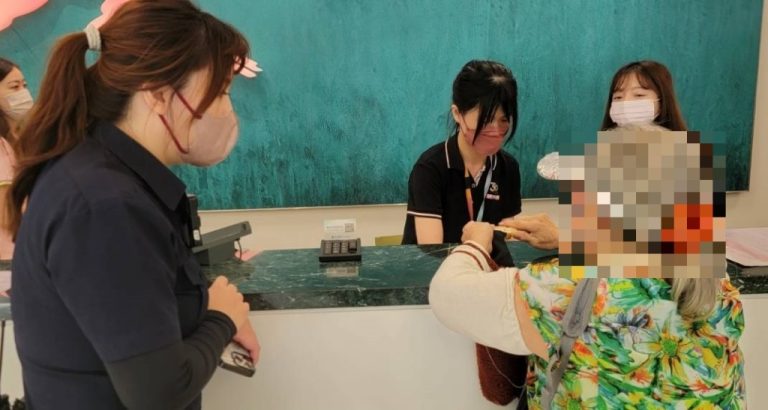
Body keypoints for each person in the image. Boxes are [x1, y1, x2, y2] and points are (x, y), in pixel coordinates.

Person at [7, 1, 259, 409]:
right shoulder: (105, 207)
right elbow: (158, 392)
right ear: (158, 93)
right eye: (220, 91)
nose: (225, 109)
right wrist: (221, 319)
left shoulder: (98, 178)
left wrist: (207, 317)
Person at [429, 125, 744, 408]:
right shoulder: (718, 285)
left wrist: (475, 243)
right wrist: (567, 240)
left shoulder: (566, 288)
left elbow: (447, 295)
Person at [402, 60, 521, 244]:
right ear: (457, 114)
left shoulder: (508, 167)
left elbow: (505, 241)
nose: (495, 130)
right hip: (436, 262)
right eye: (486, 120)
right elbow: (432, 250)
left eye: (503, 120)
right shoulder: (430, 168)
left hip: (485, 263)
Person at [0, 58, 32, 259]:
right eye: (14, 87)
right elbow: (7, 216)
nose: (23, 93)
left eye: (24, 85)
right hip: (12, 257)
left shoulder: (20, 138)